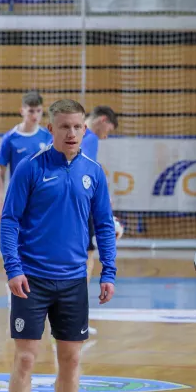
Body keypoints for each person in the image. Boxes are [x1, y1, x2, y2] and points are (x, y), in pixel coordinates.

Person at [0, 99, 117, 392]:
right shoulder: (30, 169)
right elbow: (9, 221)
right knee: (25, 359)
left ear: (85, 129)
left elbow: (104, 226)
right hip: (31, 280)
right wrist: (13, 268)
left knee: (70, 359)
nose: (71, 133)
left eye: (77, 127)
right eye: (64, 127)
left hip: (72, 282)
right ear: (51, 129)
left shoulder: (93, 172)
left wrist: (108, 271)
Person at [80, 105, 120, 336]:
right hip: (81, 208)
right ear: (103, 120)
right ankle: (77, 318)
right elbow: (85, 172)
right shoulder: (90, 136)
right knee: (87, 260)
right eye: (109, 129)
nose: (107, 135)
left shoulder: (71, 135)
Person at [0, 90, 53, 220]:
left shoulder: (47, 136)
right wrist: (0, 202)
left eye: (38, 111)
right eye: (31, 111)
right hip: (19, 196)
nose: (35, 115)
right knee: (19, 237)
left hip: (42, 197)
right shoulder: (10, 138)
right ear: (22, 111)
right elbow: (0, 173)